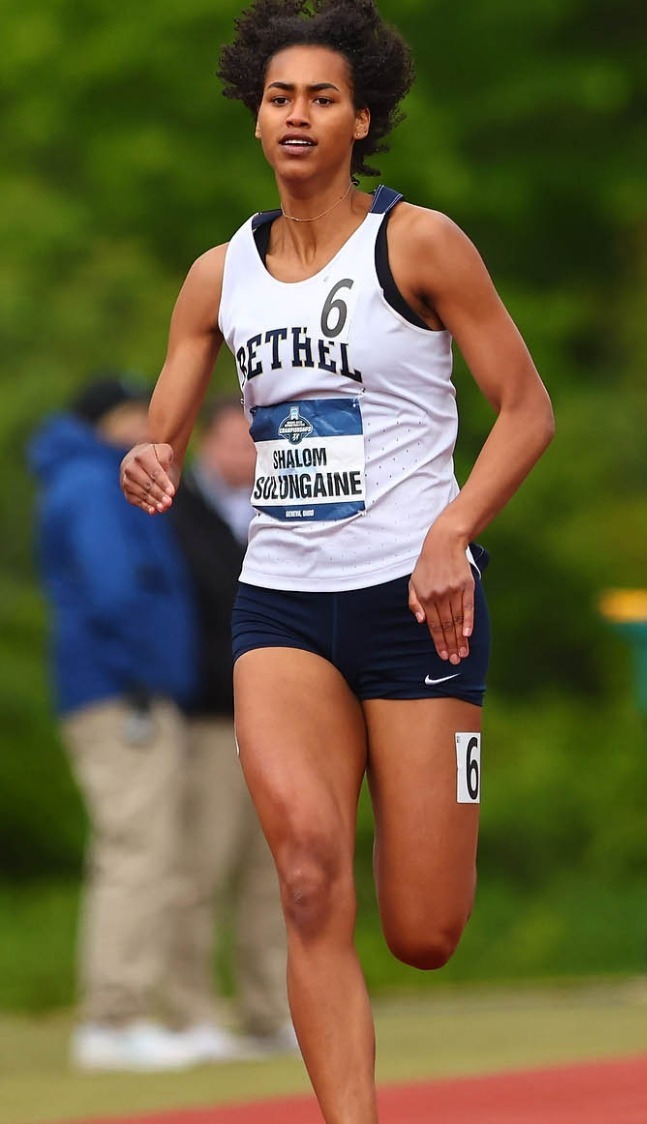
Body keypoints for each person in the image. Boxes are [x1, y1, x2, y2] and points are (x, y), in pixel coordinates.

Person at [120, 2, 555, 1119]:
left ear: (361, 117)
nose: (297, 114)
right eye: (279, 98)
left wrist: (452, 532)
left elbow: (526, 410)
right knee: (308, 874)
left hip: (417, 604)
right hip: (283, 607)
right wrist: (153, 457)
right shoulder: (221, 273)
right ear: (256, 122)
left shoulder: (417, 243)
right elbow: (166, 413)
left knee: (422, 930)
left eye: (320, 96)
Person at [31, 377, 204, 1072]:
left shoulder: (94, 479)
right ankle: (114, 1020)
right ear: (108, 421)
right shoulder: (93, 483)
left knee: (144, 850)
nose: (147, 425)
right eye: (137, 413)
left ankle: (128, 1012)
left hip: (124, 689)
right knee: (135, 850)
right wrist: (144, 678)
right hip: (121, 694)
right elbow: (114, 591)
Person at [164, 397, 294, 1060]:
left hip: (280, 719)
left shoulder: (287, 508)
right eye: (234, 441)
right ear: (209, 445)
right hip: (212, 719)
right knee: (200, 868)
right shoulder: (177, 515)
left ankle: (268, 1013)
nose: (246, 453)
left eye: (255, 442)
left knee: (275, 872)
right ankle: (188, 1013)